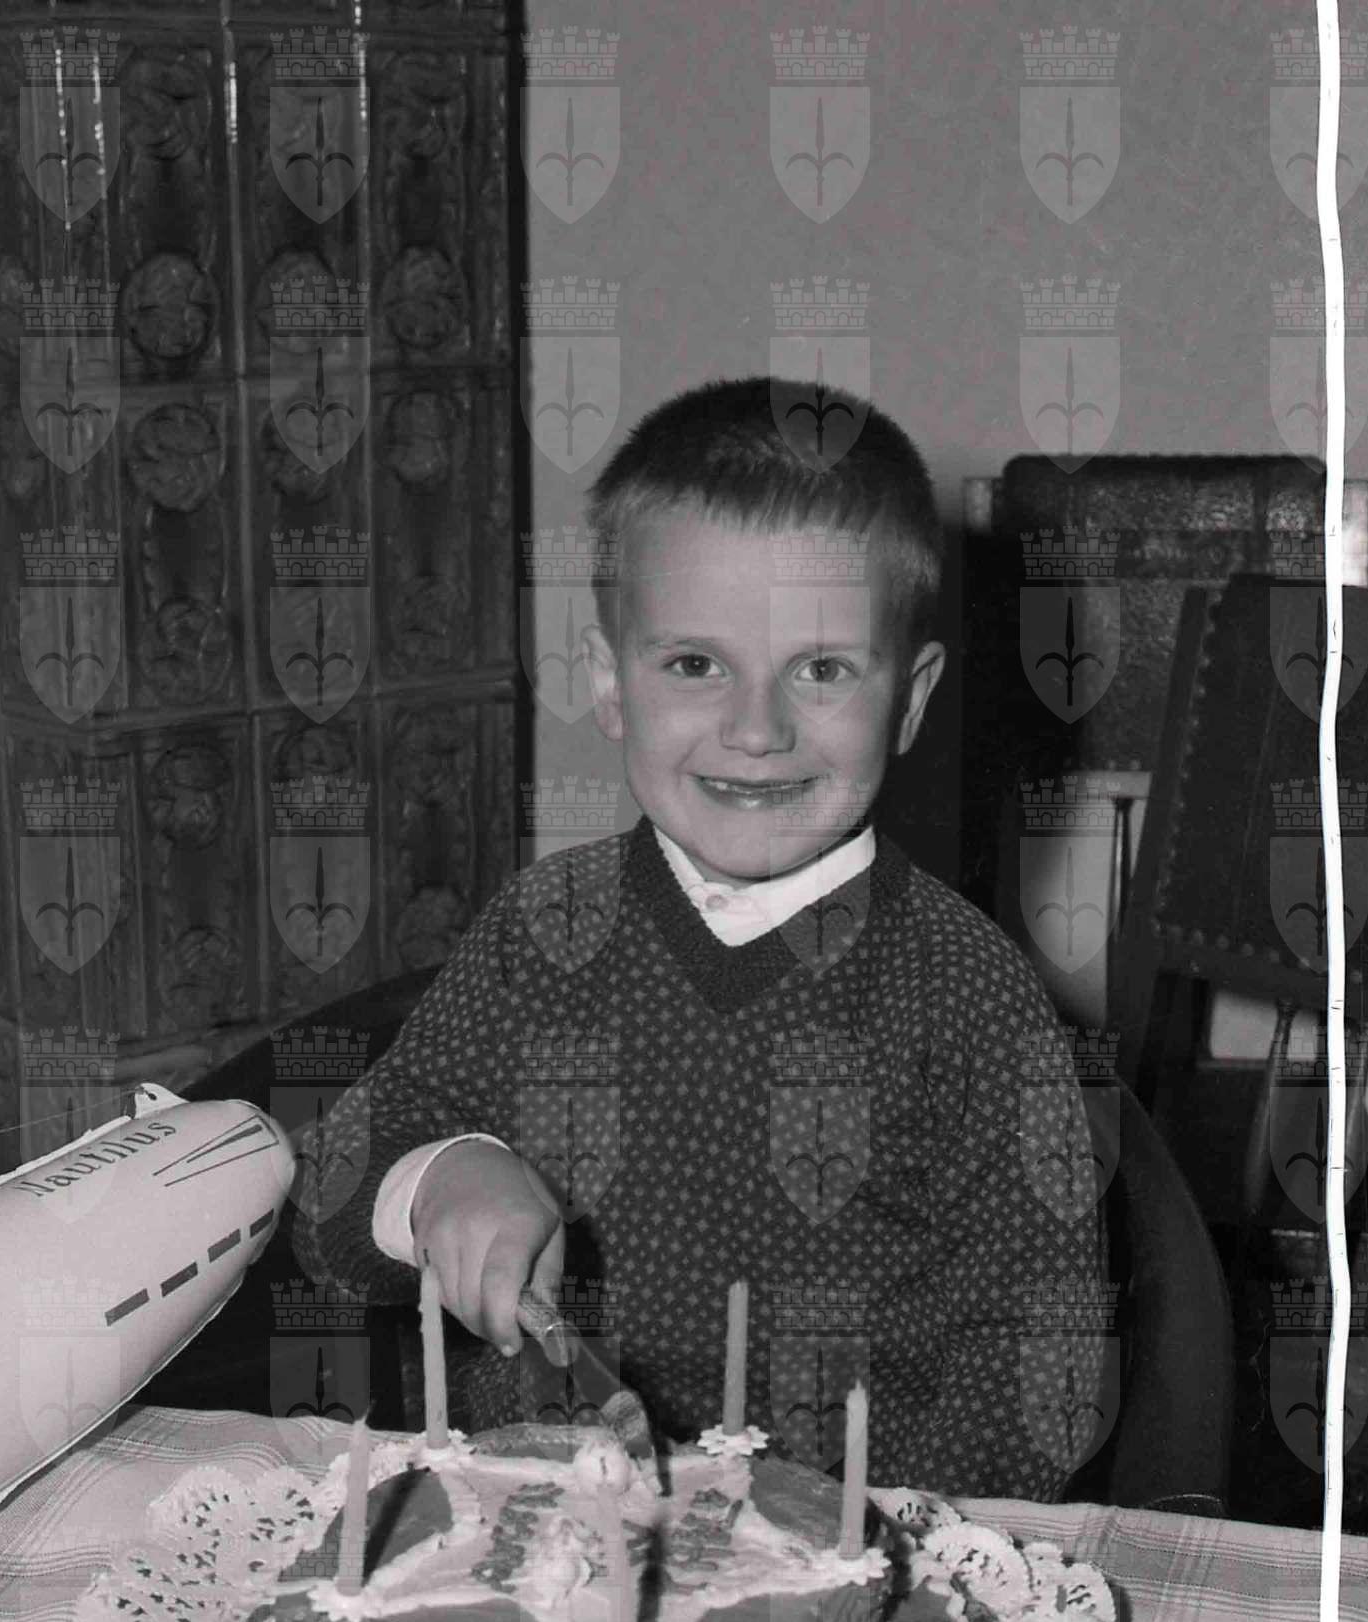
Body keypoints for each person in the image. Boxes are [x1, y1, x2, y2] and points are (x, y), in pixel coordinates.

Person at [294, 376, 1103, 1499]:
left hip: (844, 1557)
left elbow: (1043, 1361)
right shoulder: (540, 933)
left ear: (910, 699)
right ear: (608, 684)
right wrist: (438, 1178)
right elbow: (330, 1194)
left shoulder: (968, 993)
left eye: (821, 670)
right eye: (693, 664)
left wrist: (851, 1542)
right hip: (531, 1532)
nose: (756, 728)